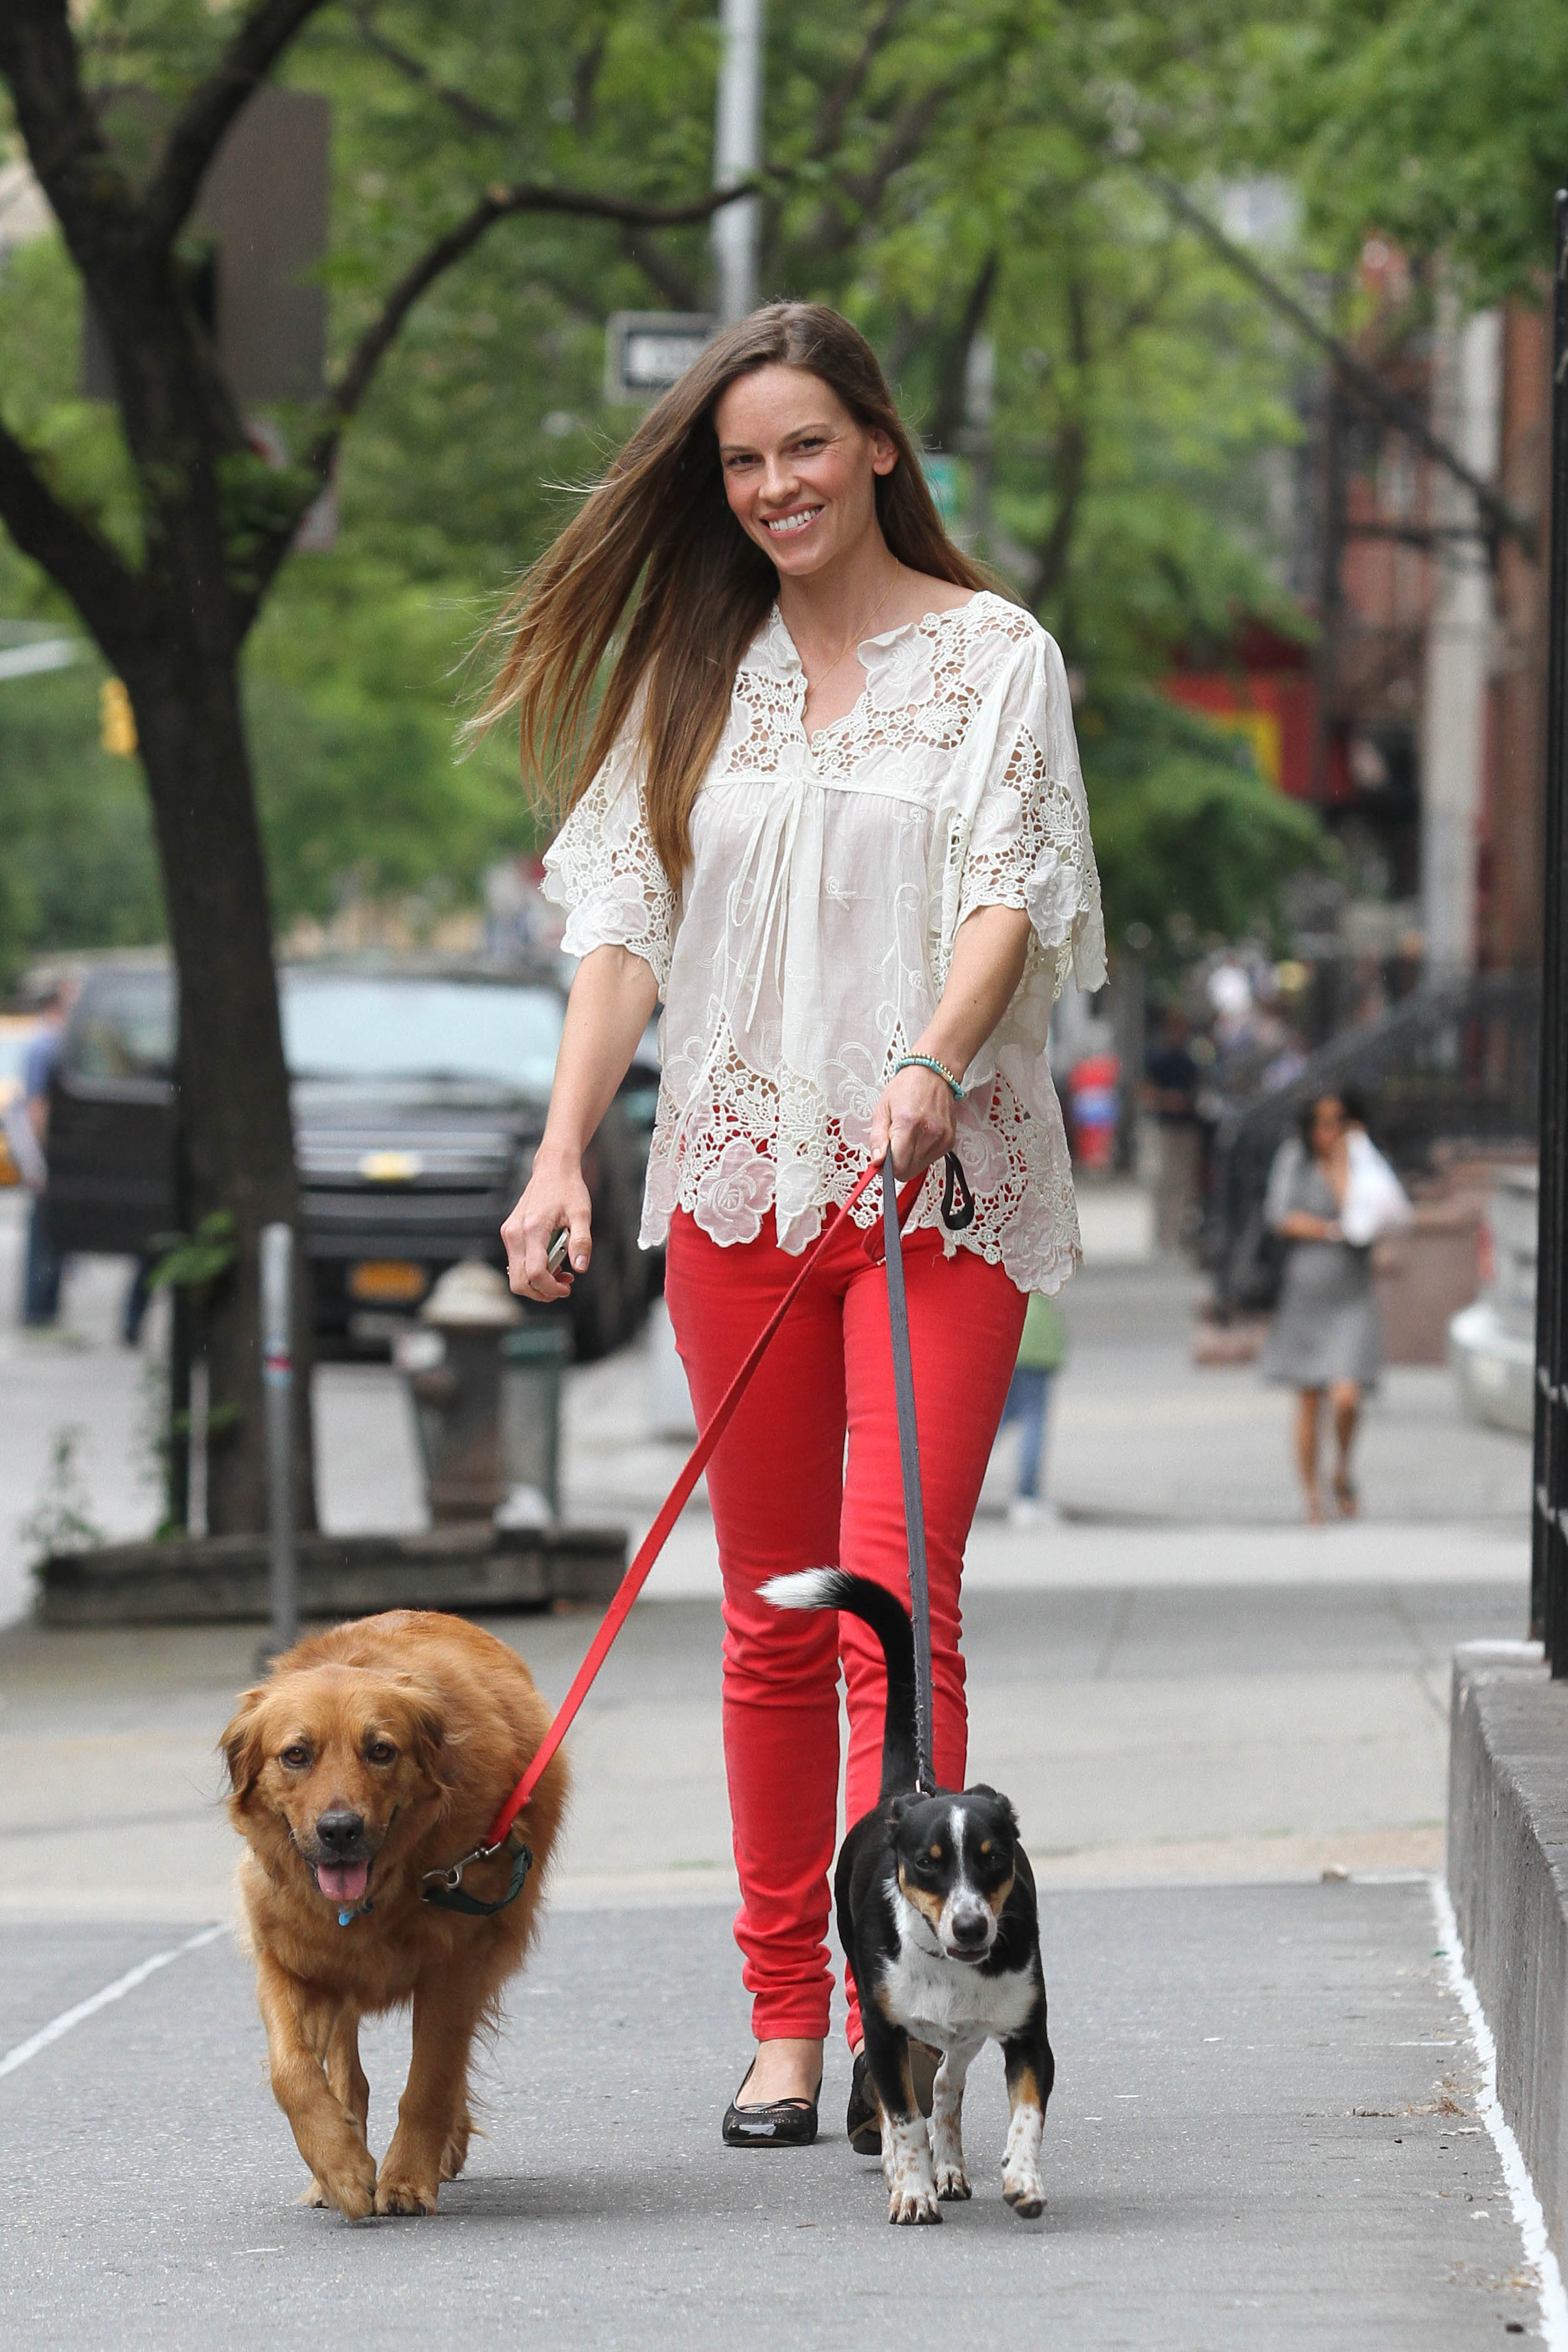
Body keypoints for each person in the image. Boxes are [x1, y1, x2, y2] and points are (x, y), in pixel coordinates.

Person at [481, 303, 1104, 2147]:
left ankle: (903, 2014)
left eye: (804, 447)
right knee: (766, 1618)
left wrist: (929, 1057)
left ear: (879, 446)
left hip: (937, 1194)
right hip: (741, 1184)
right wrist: (560, 1153)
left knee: (887, 1613)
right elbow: (622, 932)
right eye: (743, 461)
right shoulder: (694, 675)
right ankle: (780, 2017)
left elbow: (1009, 887)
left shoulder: (991, 657)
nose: (774, 486)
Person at [1259, 1090, 1392, 1522]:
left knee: (1348, 1395)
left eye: (1337, 1122)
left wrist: (1342, 1165)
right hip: (1305, 1291)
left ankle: (1342, 1470)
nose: (1327, 1132)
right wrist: (1331, 1231)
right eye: (1320, 1123)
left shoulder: (1363, 1162)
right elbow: (1281, 1215)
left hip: (1352, 1292)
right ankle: (1312, 1494)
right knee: (1309, 1398)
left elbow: (1368, 1215)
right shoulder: (1294, 1158)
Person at [19, 981, 69, 1328]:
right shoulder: (46, 1044)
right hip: (45, 1151)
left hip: (49, 1150)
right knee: (44, 1229)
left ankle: (44, 1306)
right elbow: (37, 1105)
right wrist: (43, 1156)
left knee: (50, 1228)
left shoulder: (53, 1042)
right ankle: (38, 1308)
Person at [1001, 1291, 1068, 1527]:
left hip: (1005, 1333)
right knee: (1033, 1419)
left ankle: (953, 1479)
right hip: (1035, 1343)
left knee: (996, 1421)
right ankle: (1027, 1495)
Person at [1141, 1004, 1202, 1254]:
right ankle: (1162, 1234)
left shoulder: (1189, 1061)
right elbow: (1145, 1090)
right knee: (1163, 1181)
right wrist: (1167, 1100)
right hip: (1164, 1127)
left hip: (1185, 1127)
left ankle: (1177, 1233)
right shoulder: (1157, 1058)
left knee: (1183, 1184)